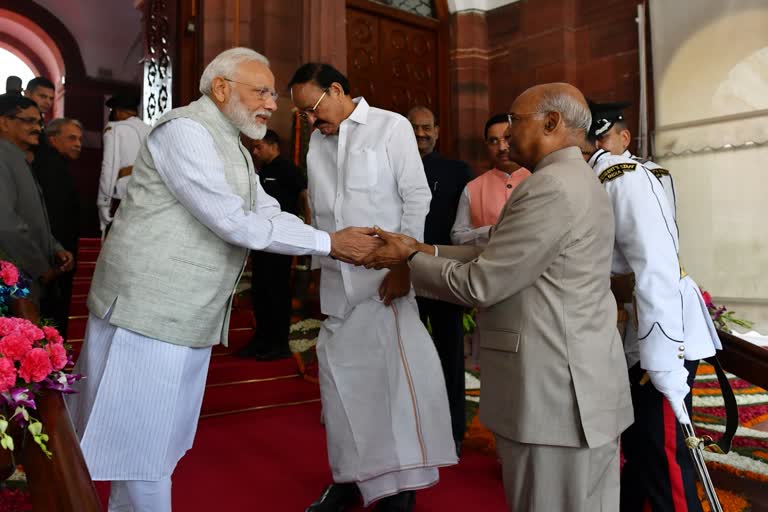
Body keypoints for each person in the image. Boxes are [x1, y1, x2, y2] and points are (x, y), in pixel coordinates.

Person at [66, 48, 380, 512]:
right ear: (220, 89)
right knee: (143, 450)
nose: (274, 104)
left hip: (183, 314)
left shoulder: (229, 140)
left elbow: (266, 209)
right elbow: (233, 221)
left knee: (155, 449)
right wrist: (329, 245)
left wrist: (327, 238)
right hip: (149, 312)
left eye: (274, 95)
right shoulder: (186, 131)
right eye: (263, 92)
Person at [362, 83, 634, 512]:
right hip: (576, 382)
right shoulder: (573, 177)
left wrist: (407, 265)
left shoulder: (550, 187)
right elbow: (500, 253)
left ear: (551, 122)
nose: (506, 134)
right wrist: (420, 249)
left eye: (514, 120)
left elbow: (483, 283)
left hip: (555, 392)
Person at [289, 63, 456, 512]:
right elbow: (323, 215)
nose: (308, 120)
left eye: (312, 109)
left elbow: (416, 197)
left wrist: (406, 264)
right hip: (336, 286)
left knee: (393, 388)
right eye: (302, 114)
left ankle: (400, 490)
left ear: (337, 90)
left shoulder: (390, 126)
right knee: (341, 391)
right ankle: (349, 478)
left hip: (385, 283)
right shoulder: (316, 144)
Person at [581, 116, 722, 511]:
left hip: (655, 337)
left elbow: (655, 266)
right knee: (643, 449)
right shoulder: (600, 176)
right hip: (630, 332)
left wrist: (662, 357)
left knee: (665, 457)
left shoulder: (622, 177)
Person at [407, 105, 472, 455]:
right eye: (414, 127)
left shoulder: (458, 170)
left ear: (438, 130)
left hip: (445, 273)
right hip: (405, 272)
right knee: (407, 354)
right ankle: (413, 427)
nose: (421, 133)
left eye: (426, 127)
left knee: (450, 354)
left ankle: (453, 431)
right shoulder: (395, 166)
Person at [0, 94, 74, 317]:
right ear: (3, 121)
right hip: (15, 281)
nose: (38, 128)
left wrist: (56, 248)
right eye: (29, 121)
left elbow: (32, 216)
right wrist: (41, 268)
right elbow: (6, 224)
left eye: (39, 122)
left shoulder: (17, 158)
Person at [238, 129, 309, 360]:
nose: (255, 152)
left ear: (273, 145)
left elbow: (304, 197)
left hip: (282, 240)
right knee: (259, 291)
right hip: (261, 240)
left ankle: (278, 344)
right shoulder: (263, 171)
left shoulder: (288, 169)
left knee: (276, 292)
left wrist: (307, 231)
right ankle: (261, 339)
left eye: (259, 147)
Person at [31, 118, 83, 337]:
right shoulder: (50, 167)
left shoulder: (56, 164)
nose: (78, 143)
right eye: (71, 138)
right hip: (54, 256)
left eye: (80, 139)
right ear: (53, 139)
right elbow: (53, 216)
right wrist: (58, 252)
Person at [450, 113, 530, 246]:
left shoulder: (538, 177)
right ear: (486, 145)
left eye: (507, 138)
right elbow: (457, 237)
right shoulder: (473, 188)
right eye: (494, 141)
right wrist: (487, 233)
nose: (502, 147)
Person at [589, 99, 677, 219]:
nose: (596, 146)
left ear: (625, 138)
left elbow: (664, 228)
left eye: (602, 138)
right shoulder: (590, 173)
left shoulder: (654, 172)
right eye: (591, 140)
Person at [97, 93, 151, 234]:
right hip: (150, 196)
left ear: (119, 112)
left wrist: (104, 202)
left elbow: (109, 167)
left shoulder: (115, 129)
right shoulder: (150, 130)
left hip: (124, 196)